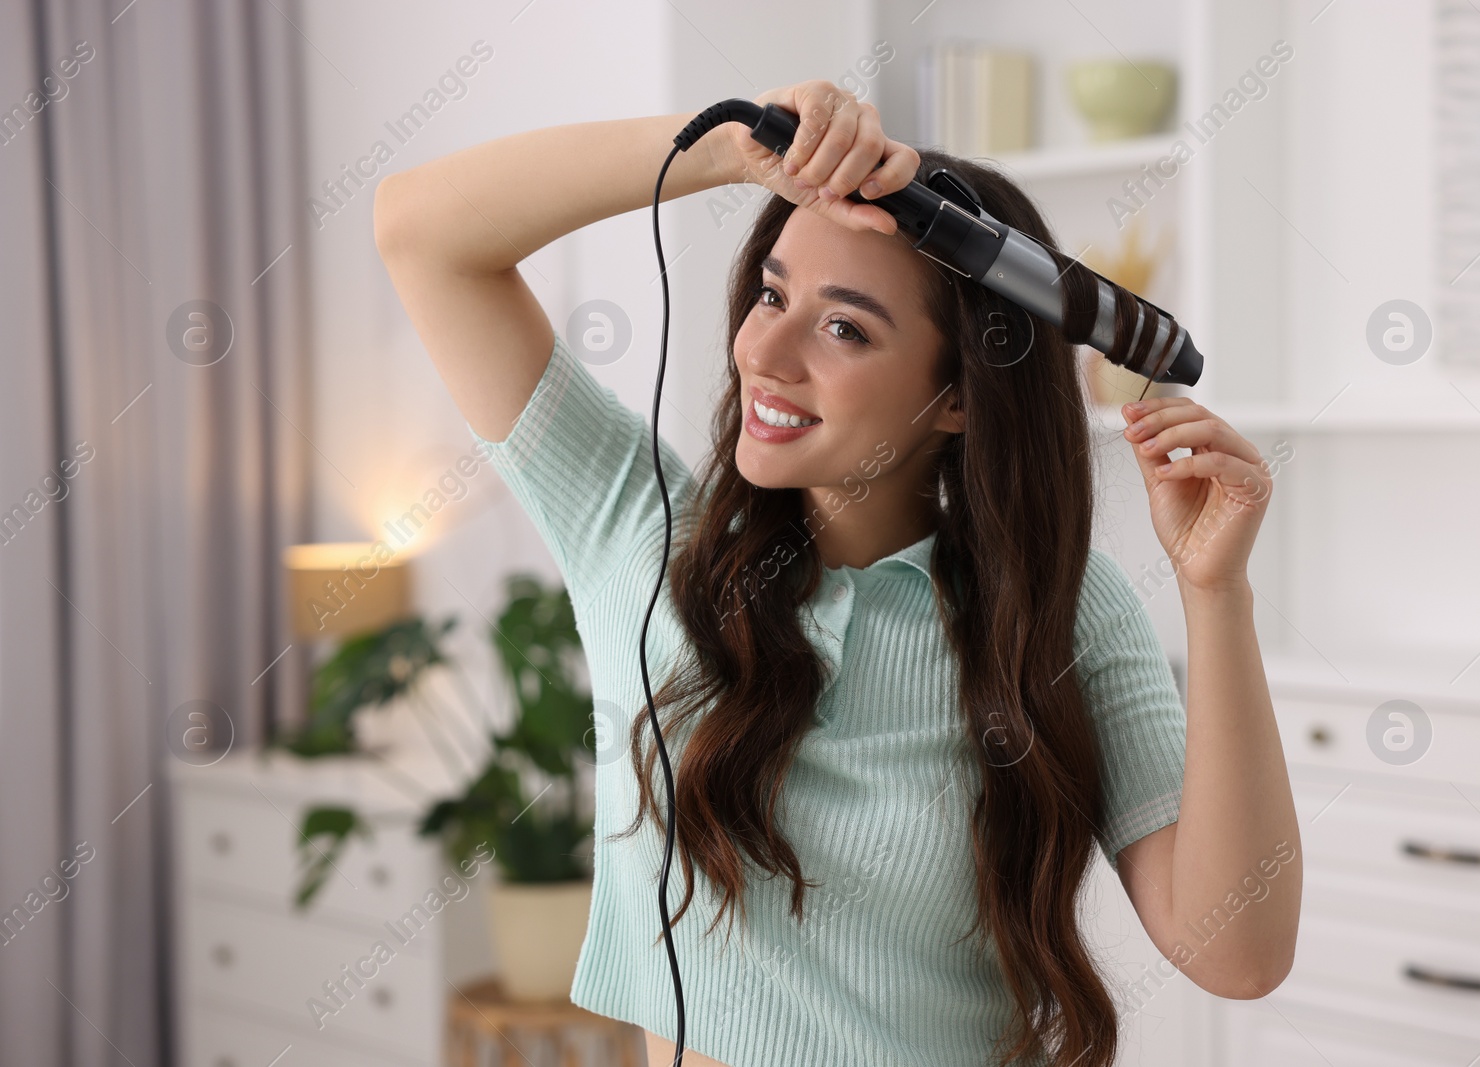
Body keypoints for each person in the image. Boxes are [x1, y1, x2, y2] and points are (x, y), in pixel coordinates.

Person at [375, 78, 1301, 1067]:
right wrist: (733, 146)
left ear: (954, 397)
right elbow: (422, 233)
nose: (764, 352)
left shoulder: (1053, 612)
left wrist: (1216, 594)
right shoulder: (641, 533)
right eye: (772, 293)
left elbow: (1237, 951)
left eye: (844, 327)